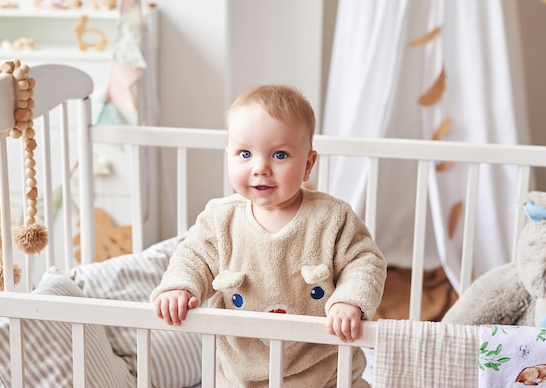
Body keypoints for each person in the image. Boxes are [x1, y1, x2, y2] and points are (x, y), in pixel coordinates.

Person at [151, 84, 387, 388]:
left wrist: (349, 300)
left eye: (279, 154)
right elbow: (193, 258)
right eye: (245, 153)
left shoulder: (332, 218)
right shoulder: (220, 219)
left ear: (308, 164)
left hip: (326, 373)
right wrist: (179, 288)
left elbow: (365, 261)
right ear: (229, 157)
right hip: (241, 376)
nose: (260, 168)